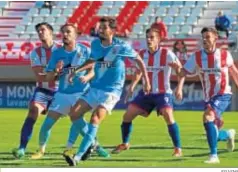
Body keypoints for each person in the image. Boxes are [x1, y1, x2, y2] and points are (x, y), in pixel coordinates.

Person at [62, 17, 150, 166]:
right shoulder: (95, 44)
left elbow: (139, 61)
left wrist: (146, 81)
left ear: (112, 31)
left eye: (103, 27)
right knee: (74, 114)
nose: (100, 30)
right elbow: (91, 61)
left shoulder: (121, 46)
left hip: (111, 91)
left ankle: (77, 157)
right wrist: (75, 71)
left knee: (95, 119)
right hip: (95, 88)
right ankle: (92, 143)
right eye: (99, 27)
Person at [170, 27, 238, 164]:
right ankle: (227, 134)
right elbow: (184, 73)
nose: (205, 39)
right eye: (203, 37)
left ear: (215, 38)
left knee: (207, 116)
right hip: (208, 97)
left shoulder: (224, 55)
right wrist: (177, 70)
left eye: (208, 37)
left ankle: (214, 156)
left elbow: (234, 72)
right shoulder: (197, 56)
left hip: (223, 94)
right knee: (212, 127)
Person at [30, 23, 108, 160]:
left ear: (76, 35)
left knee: (78, 121)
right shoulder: (57, 54)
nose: (65, 35)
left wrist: (87, 77)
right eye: (63, 32)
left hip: (81, 94)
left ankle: (96, 146)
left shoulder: (85, 51)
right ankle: (41, 150)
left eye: (68, 32)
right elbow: (48, 78)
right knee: (46, 125)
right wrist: (56, 71)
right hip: (62, 94)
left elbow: (93, 71)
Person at [111, 28, 184, 157]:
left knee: (168, 115)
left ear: (158, 40)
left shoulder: (167, 54)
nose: (149, 40)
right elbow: (139, 71)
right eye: (147, 37)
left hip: (163, 93)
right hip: (146, 93)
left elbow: (180, 71)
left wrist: (179, 87)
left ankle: (177, 148)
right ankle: (125, 143)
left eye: (152, 37)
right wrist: (132, 86)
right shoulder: (142, 54)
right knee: (127, 116)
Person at [12, 22, 59, 159]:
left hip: (62, 92)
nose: (40, 33)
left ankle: (94, 145)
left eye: (43, 30)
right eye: (38, 31)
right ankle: (22, 148)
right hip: (43, 90)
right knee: (33, 110)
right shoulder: (35, 53)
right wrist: (56, 73)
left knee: (77, 115)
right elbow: (39, 76)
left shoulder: (63, 49)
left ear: (50, 32)